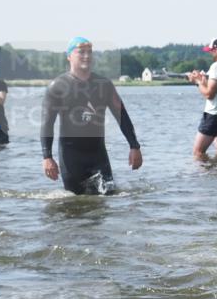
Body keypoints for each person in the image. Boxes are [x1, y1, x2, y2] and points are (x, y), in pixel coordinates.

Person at [41, 37, 143, 194]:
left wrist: (134, 146)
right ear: (69, 56)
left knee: (108, 198)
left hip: (98, 155)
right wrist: (47, 157)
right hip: (71, 157)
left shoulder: (104, 84)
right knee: (74, 204)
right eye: (81, 52)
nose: (86, 56)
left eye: (89, 52)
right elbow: (47, 124)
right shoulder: (57, 87)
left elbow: (122, 116)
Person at [188, 38, 217, 158]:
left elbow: (210, 94)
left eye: (211, 50)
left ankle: (205, 176)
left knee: (198, 153)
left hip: (213, 115)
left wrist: (197, 81)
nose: (210, 53)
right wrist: (202, 80)